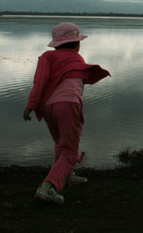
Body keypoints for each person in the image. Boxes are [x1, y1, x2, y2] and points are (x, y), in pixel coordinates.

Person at [23, 22, 110, 204]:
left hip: (47, 106)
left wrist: (31, 105)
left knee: (60, 144)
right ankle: (48, 188)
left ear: (56, 43)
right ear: (76, 44)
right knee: (70, 152)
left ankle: (66, 175)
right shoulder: (78, 60)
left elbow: (39, 83)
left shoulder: (47, 57)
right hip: (68, 105)